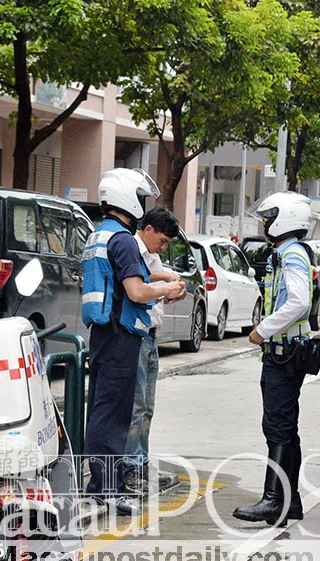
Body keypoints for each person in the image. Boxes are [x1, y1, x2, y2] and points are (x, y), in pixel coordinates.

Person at [81, 168, 185, 515]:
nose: (142, 205)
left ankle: (100, 486)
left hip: (102, 334)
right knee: (114, 416)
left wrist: (160, 282)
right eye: (140, 198)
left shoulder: (101, 234)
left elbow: (134, 275)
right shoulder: (123, 239)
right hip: (121, 335)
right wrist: (167, 289)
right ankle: (107, 490)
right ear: (126, 197)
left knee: (102, 410)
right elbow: (136, 290)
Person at [233, 192, 314, 525]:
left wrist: (262, 330)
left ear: (285, 220)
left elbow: (298, 302)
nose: (264, 225)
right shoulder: (286, 254)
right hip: (284, 353)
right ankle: (290, 501)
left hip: (283, 354)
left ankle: (273, 500)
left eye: (268, 219)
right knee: (286, 429)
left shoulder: (291, 255)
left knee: (278, 428)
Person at [122, 206, 185, 494]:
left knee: (146, 406)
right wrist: (165, 285)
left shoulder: (152, 257)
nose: (163, 247)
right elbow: (138, 289)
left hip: (150, 335)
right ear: (147, 229)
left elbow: (153, 284)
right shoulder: (130, 250)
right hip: (133, 336)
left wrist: (169, 289)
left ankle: (141, 463)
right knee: (135, 406)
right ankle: (130, 469)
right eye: (162, 241)